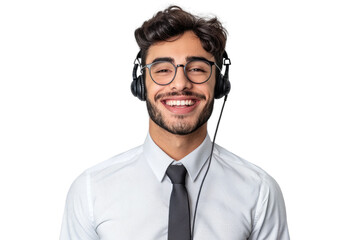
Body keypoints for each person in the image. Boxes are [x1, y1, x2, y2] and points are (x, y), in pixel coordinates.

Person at [60, 5, 290, 240]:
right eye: (162, 70)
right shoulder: (90, 190)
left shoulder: (259, 191)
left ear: (220, 84)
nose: (180, 84)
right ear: (141, 85)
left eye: (198, 69)